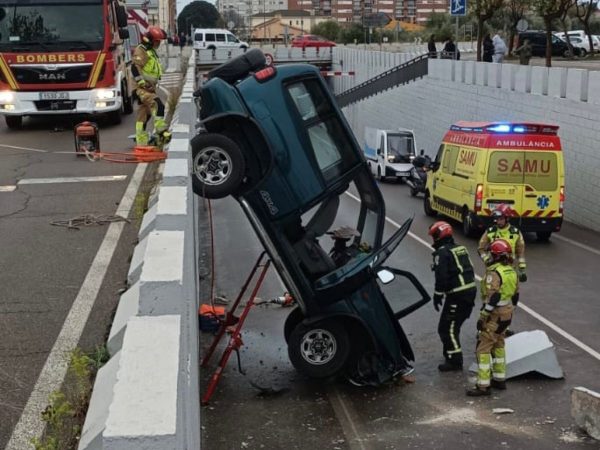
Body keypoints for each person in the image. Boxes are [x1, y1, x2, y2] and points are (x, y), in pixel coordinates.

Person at [467, 239, 519, 396]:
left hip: (495, 314)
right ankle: (499, 379)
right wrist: (509, 309)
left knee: (483, 348)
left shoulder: (494, 272)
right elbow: (516, 295)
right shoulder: (511, 270)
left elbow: (493, 297)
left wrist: (483, 316)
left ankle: (483, 386)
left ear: (496, 255)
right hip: (507, 312)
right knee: (499, 344)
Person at [428, 221, 477, 372]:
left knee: (446, 328)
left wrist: (437, 295)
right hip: (468, 292)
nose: (433, 240)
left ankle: (455, 361)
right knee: (453, 326)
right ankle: (450, 352)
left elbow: (441, 276)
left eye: (434, 236)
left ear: (439, 235)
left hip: (458, 295)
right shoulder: (461, 248)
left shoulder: (441, 253)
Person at [131, 26, 171, 148]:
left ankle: (141, 144)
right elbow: (135, 68)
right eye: (157, 41)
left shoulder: (150, 50)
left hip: (148, 88)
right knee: (158, 104)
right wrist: (142, 83)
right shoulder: (141, 50)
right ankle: (161, 132)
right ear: (150, 39)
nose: (158, 44)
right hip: (141, 89)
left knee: (144, 115)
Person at [478, 204, 527, 282]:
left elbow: (520, 253)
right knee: (490, 291)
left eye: (501, 219)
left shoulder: (515, 233)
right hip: (493, 270)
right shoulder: (490, 231)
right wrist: (487, 260)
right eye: (497, 219)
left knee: (511, 292)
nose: (498, 222)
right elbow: (481, 249)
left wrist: (522, 270)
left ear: (507, 218)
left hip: (510, 270)